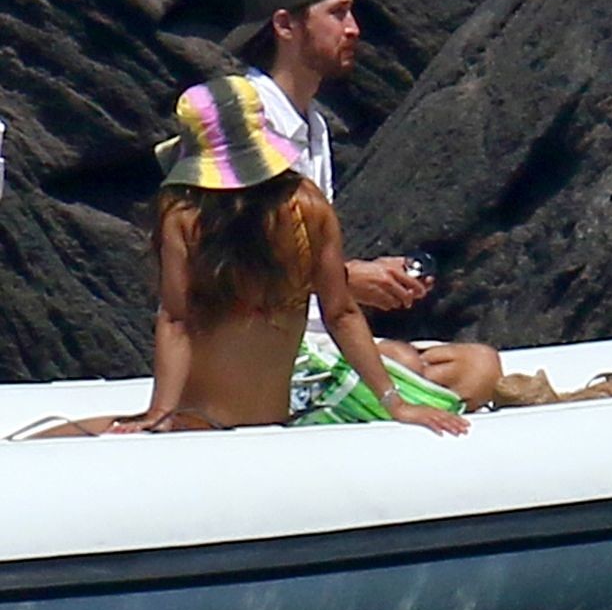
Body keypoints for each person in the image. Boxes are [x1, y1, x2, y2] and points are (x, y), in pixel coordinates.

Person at [39, 78, 468, 436]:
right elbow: (341, 313)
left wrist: (160, 414)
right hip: (267, 420)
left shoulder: (185, 215)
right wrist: (394, 404)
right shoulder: (306, 207)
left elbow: (175, 320)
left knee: (42, 442)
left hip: (195, 422)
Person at [226, 0, 502, 407]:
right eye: (337, 14)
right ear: (285, 26)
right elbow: (234, 268)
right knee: (410, 365)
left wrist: (363, 279)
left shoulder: (311, 126)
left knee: (479, 366)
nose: (353, 29)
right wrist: (348, 279)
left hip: (316, 345)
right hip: (259, 358)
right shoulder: (246, 124)